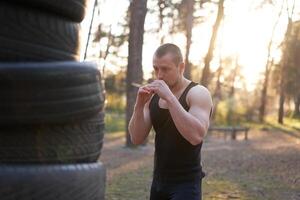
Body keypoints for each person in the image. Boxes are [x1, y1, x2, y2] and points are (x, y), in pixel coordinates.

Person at [128, 43, 213, 200]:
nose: (159, 75)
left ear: (181, 67)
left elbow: (196, 136)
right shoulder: (153, 96)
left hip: (186, 185)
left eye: (165, 69)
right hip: (159, 183)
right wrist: (139, 105)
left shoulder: (197, 93)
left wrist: (169, 97)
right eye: (156, 68)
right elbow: (136, 138)